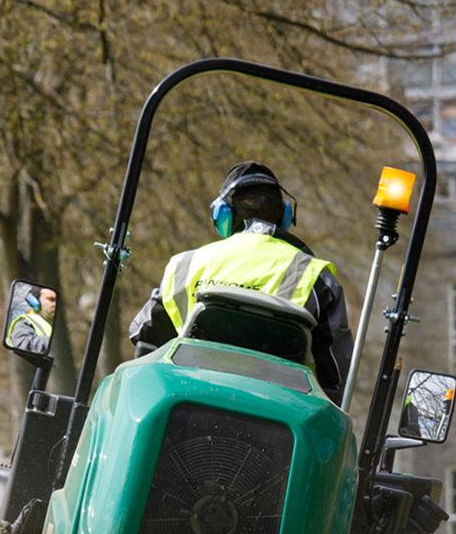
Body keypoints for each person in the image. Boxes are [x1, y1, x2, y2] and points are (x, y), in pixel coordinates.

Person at [129, 161, 354, 404]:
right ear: (286, 216)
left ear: (222, 215)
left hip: (187, 407)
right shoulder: (316, 277)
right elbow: (337, 375)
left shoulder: (184, 266)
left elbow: (143, 335)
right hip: (276, 419)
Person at [7, 287, 56, 356]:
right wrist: (53, 342)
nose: (55, 304)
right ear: (36, 303)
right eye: (51, 300)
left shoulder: (56, 323)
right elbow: (23, 346)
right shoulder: (24, 323)